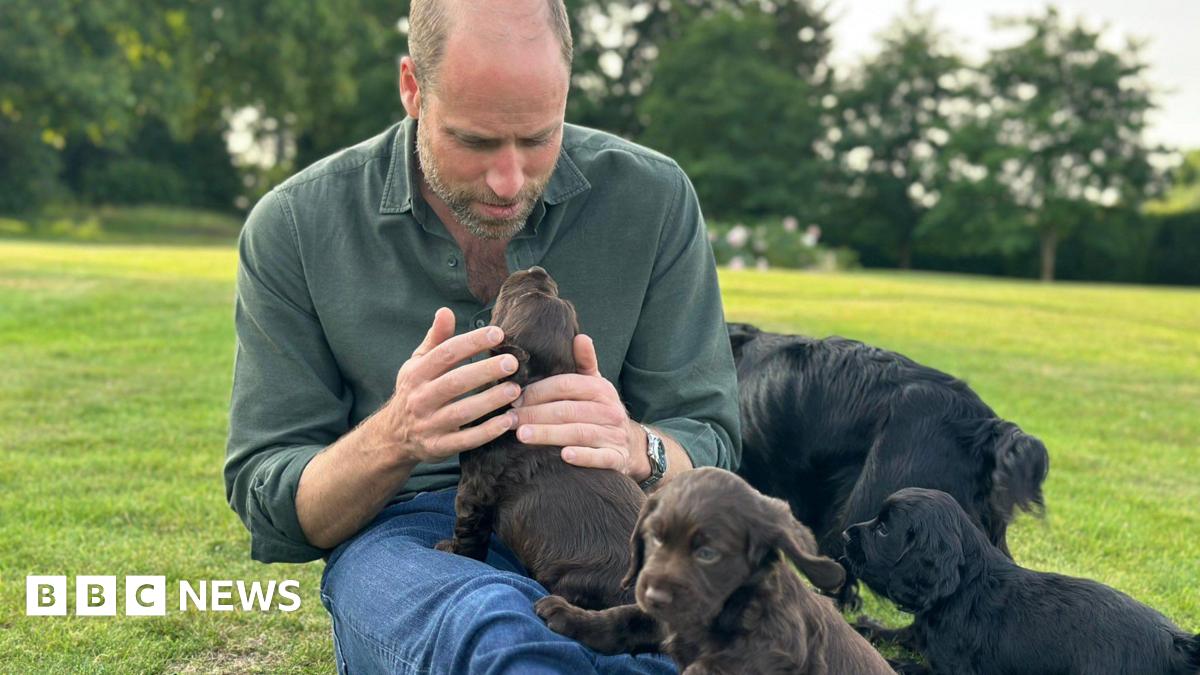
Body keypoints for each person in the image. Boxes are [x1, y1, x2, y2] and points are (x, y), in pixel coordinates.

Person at [223, 0, 740, 672]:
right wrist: (396, 435)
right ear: (412, 87)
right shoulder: (294, 225)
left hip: (610, 524)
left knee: (666, 650)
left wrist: (637, 445)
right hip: (416, 535)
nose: (508, 180)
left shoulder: (654, 197)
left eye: (538, 138)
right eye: (473, 141)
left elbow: (711, 437)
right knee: (500, 639)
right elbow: (272, 494)